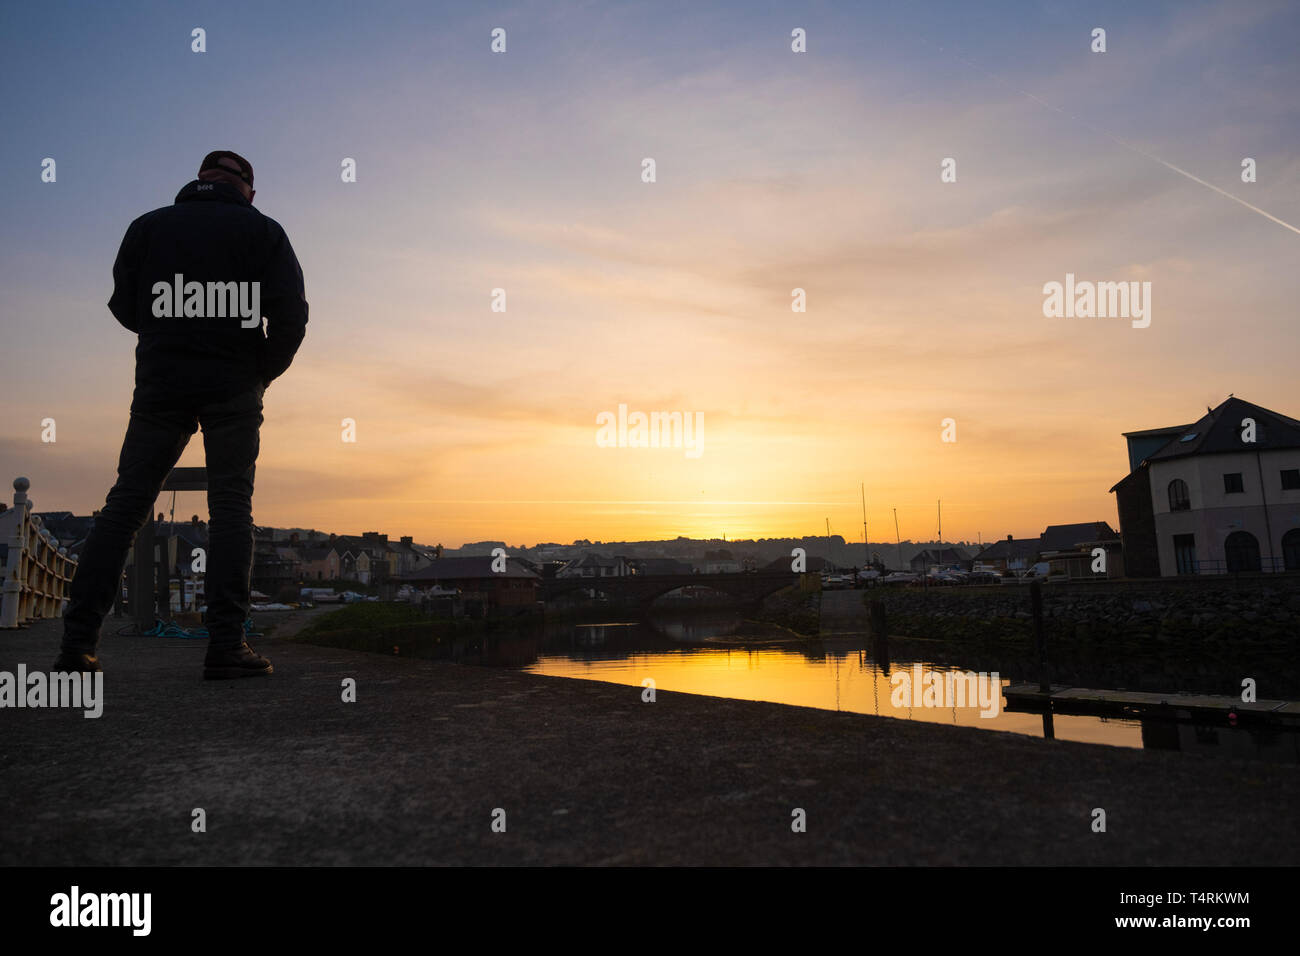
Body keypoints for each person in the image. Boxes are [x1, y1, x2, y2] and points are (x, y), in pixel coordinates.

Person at [53, 150, 307, 679]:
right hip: (234, 383)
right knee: (232, 507)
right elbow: (291, 316)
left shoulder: (149, 226)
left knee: (124, 507)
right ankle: (226, 646)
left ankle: (77, 648)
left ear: (199, 182)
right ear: (248, 190)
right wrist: (260, 371)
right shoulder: (263, 231)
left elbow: (125, 306)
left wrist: (168, 333)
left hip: (160, 384)